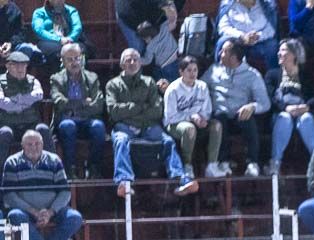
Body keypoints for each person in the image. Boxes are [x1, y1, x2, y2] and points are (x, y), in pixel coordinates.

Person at [107, 48, 198, 197]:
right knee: (120, 140)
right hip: (124, 127)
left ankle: (180, 178)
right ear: (122, 64)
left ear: (140, 63)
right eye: (128, 60)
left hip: (148, 126)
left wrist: (130, 111)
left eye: (135, 59)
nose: (132, 63)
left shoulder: (149, 82)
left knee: (167, 140)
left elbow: (157, 110)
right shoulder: (113, 84)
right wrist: (142, 107)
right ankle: (124, 181)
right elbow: (114, 112)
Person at [0, 129, 82, 240]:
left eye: (37, 144)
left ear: (42, 144)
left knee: (75, 217)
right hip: (26, 211)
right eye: (29, 144)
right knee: (14, 215)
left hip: (52, 210)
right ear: (22, 145)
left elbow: (64, 191)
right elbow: (9, 195)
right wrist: (33, 211)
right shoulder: (12, 162)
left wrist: (50, 212)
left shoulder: (54, 160)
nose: (34, 147)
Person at [204, 39, 270, 177]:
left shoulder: (252, 75)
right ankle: (223, 162)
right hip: (219, 114)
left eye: (224, 51)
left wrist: (252, 107)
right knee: (219, 119)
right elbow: (198, 86)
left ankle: (253, 163)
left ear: (233, 58)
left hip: (239, 115)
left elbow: (265, 103)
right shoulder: (213, 70)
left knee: (248, 119)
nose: (220, 53)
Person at [265, 39, 314, 176]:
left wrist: (306, 107)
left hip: (302, 111)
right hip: (281, 113)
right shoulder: (272, 75)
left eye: (283, 50)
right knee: (285, 118)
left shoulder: (306, 75)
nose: (279, 53)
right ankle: (275, 162)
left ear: (294, 54)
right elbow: (270, 98)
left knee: (307, 118)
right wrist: (286, 108)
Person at [50, 42, 104, 179]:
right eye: (70, 59)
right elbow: (59, 102)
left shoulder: (92, 77)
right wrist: (82, 103)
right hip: (67, 122)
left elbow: (98, 105)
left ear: (82, 58)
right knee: (68, 125)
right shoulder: (56, 79)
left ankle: (93, 167)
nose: (74, 62)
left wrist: (73, 108)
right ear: (62, 61)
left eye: (77, 58)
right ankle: (70, 168)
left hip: (87, 121)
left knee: (99, 127)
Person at [164, 55, 222, 180]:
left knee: (216, 125)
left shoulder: (202, 87)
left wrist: (203, 119)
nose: (192, 73)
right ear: (181, 72)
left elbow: (207, 110)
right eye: (189, 70)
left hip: (198, 122)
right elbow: (170, 116)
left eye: (195, 70)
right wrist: (191, 117)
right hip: (175, 124)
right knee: (189, 128)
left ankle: (212, 165)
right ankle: (187, 165)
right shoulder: (173, 89)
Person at [0, 52, 53, 157]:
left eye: (23, 65)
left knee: (43, 129)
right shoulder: (0, 81)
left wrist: (17, 101)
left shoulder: (33, 81)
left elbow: (38, 95)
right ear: (8, 66)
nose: (20, 69)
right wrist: (26, 102)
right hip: (9, 123)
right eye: (16, 65)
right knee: (4, 133)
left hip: (31, 123)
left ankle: (53, 167)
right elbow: (2, 102)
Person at [215, 0, 279, 69]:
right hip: (236, 41)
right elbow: (223, 27)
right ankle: (221, 74)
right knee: (222, 43)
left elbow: (271, 28)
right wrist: (242, 36)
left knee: (272, 46)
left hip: (260, 41)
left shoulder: (267, 3)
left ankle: (272, 76)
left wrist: (257, 37)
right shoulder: (228, 3)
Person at [31, 0, 86, 68]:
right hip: (50, 41)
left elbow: (77, 27)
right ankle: (59, 77)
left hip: (70, 40)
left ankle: (80, 76)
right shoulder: (39, 12)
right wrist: (59, 39)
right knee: (56, 52)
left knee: (80, 49)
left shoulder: (72, 11)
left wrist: (70, 38)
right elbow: (39, 31)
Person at [116, 0, 181, 54]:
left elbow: (170, 10)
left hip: (152, 14)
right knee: (138, 48)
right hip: (129, 16)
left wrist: (171, 21)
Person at [0, 0, 43, 65]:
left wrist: (11, 44)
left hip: (10, 46)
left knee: (26, 49)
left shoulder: (13, 9)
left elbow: (20, 33)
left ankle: (20, 74)